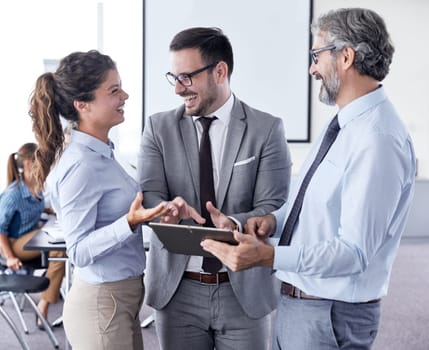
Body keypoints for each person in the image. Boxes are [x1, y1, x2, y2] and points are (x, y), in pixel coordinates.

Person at [201, 8, 416, 350]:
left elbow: (353, 252)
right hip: (302, 306)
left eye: (317, 56)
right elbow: (312, 206)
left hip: (329, 314)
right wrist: (271, 221)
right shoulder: (343, 126)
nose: (312, 68)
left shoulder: (378, 139)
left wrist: (269, 256)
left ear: (346, 57)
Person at [137, 27, 291, 349]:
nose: (178, 89)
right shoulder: (157, 127)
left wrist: (233, 224)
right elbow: (150, 196)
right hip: (178, 291)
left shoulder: (266, 129)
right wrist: (167, 210)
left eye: (187, 77)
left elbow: (273, 206)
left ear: (220, 71)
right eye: (174, 77)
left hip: (243, 292)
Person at [29, 50, 173, 350]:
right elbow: (79, 251)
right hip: (101, 304)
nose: (125, 95)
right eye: (114, 90)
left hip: (121, 299)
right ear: (82, 105)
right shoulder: (81, 164)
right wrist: (130, 222)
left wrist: (157, 211)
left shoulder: (102, 153)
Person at [0, 142, 65, 329]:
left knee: (59, 252)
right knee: (57, 247)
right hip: (12, 246)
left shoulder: (35, 189)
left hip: (28, 239)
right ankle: (44, 303)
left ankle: (47, 299)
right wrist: (10, 257)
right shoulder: (13, 194)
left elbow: (31, 211)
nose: (46, 164)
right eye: (42, 159)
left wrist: (49, 210)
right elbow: (0, 229)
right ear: (29, 163)